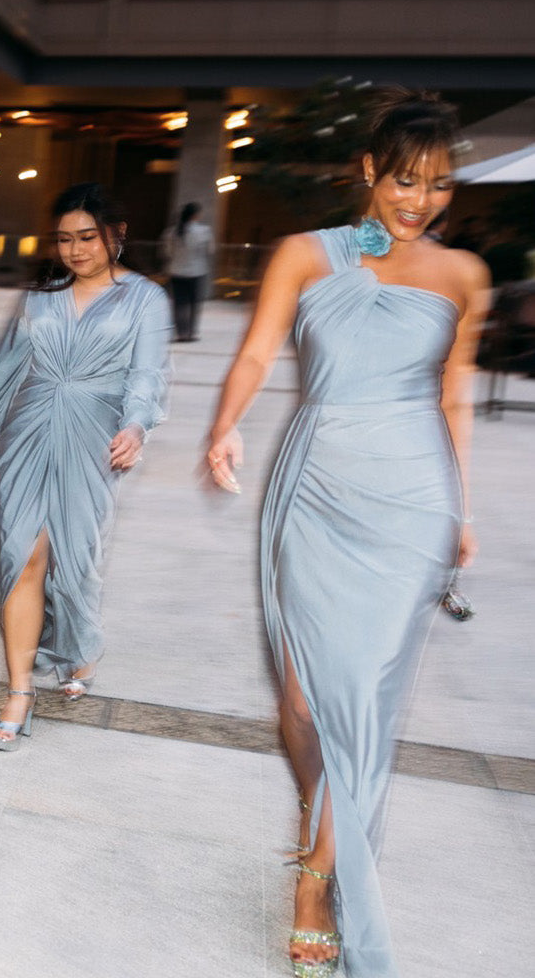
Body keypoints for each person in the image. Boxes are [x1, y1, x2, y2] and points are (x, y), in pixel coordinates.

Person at [203, 90, 487, 977]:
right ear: (370, 170)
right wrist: (226, 423)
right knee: (299, 697)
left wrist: (462, 509)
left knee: (361, 696)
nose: (420, 200)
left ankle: (316, 883)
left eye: (438, 185)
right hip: (317, 481)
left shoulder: (463, 277)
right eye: (406, 179)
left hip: (411, 494)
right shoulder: (303, 255)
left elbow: (453, 396)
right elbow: (256, 350)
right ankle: (321, 814)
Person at [0, 183, 169, 748]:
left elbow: (146, 375)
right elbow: (5, 370)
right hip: (27, 435)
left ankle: (79, 646)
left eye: (88, 238)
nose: (75, 251)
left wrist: (137, 424)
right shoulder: (40, 298)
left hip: (94, 437)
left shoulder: (146, 298)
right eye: (65, 240)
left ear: (116, 236)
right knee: (22, 557)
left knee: (76, 561)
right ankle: (20, 690)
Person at [161, 201, 214, 341]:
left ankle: (181, 333)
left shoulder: (171, 232)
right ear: (196, 215)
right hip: (197, 271)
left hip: (176, 271)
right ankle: (191, 332)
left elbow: (167, 252)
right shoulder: (204, 231)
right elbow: (210, 250)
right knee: (194, 304)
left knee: (179, 304)